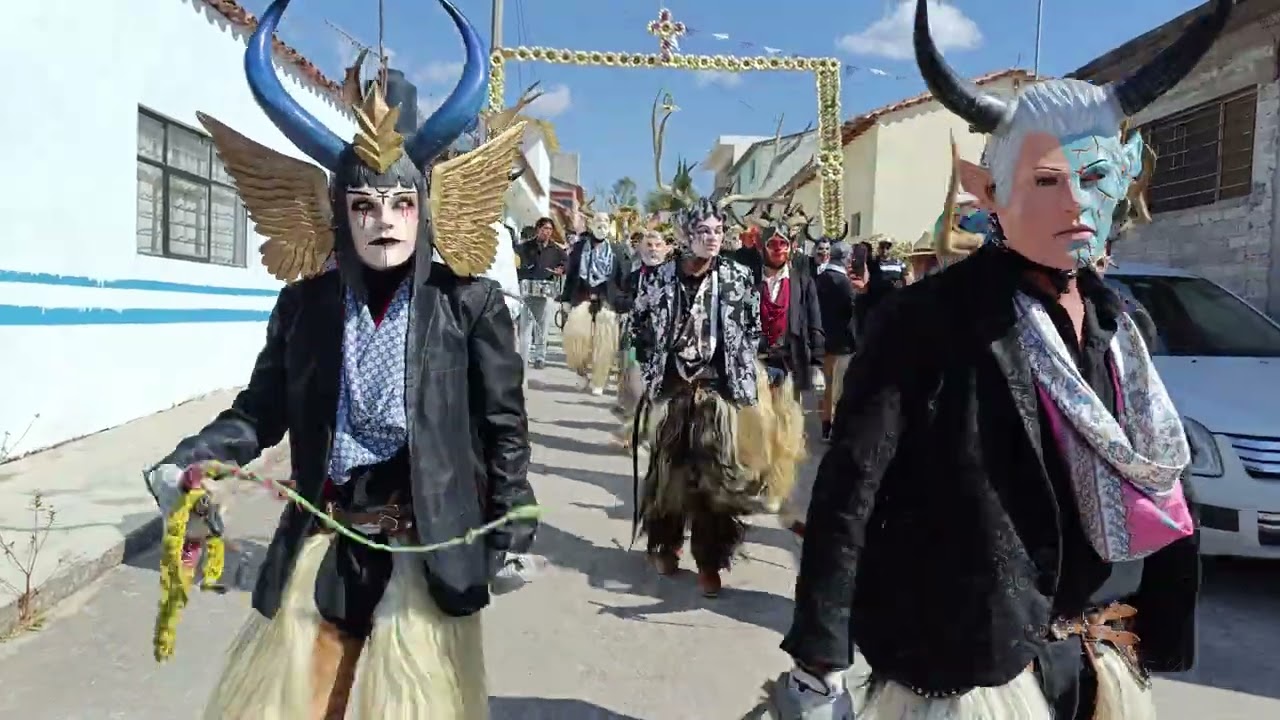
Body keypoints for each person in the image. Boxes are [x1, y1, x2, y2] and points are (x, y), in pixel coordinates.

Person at [769, 1, 1227, 718]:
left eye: (1097, 177)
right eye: (1047, 181)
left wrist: (1162, 615)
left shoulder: (1121, 325)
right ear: (989, 195)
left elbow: (1158, 472)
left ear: (1127, 180)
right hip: (965, 664)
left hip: (1093, 650)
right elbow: (851, 485)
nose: (1076, 203)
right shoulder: (926, 320)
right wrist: (819, 656)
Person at [140, 1, 539, 717]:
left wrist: (513, 525)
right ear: (337, 212)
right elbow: (259, 411)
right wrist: (194, 457)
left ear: (425, 209)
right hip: (328, 535)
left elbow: (503, 423)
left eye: (398, 204)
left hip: (430, 541)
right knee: (309, 698)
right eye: (362, 205)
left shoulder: (468, 305)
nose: (382, 222)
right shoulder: (306, 307)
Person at [630, 198, 796, 598]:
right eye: (703, 231)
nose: (713, 238)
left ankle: (709, 560)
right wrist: (654, 362)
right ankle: (666, 544)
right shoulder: (658, 278)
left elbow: (754, 328)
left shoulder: (738, 277)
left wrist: (744, 368)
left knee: (717, 479)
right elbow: (637, 324)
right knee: (668, 475)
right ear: (686, 235)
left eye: (718, 231)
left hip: (718, 394)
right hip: (673, 394)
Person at [611, 230, 672, 445]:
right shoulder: (634, 277)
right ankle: (633, 425)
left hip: (664, 345)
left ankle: (647, 432)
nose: (653, 249)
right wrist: (632, 302)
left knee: (658, 395)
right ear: (640, 248)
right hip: (635, 343)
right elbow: (618, 300)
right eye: (649, 244)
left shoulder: (674, 278)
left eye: (657, 244)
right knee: (634, 389)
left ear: (666, 248)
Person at [559, 211, 628, 395]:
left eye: (605, 221)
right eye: (598, 221)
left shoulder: (617, 250)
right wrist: (565, 299)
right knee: (575, 334)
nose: (602, 224)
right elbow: (571, 275)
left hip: (608, 301)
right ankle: (582, 373)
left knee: (605, 341)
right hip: (583, 296)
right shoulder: (580, 247)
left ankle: (599, 380)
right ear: (591, 224)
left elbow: (624, 280)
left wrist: (625, 304)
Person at [812, 242, 856, 443]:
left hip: (823, 341)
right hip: (842, 344)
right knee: (838, 389)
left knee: (828, 388)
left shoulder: (818, 279)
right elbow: (851, 313)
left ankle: (825, 427)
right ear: (846, 258)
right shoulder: (844, 283)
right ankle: (834, 429)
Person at [516, 216, 568, 369]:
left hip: (546, 292)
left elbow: (567, 262)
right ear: (538, 229)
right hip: (528, 291)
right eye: (545, 228)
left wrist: (561, 269)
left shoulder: (555, 249)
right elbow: (516, 261)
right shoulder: (525, 247)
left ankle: (540, 357)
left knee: (542, 326)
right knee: (525, 326)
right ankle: (523, 357)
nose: (547, 232)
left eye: (550, 229)